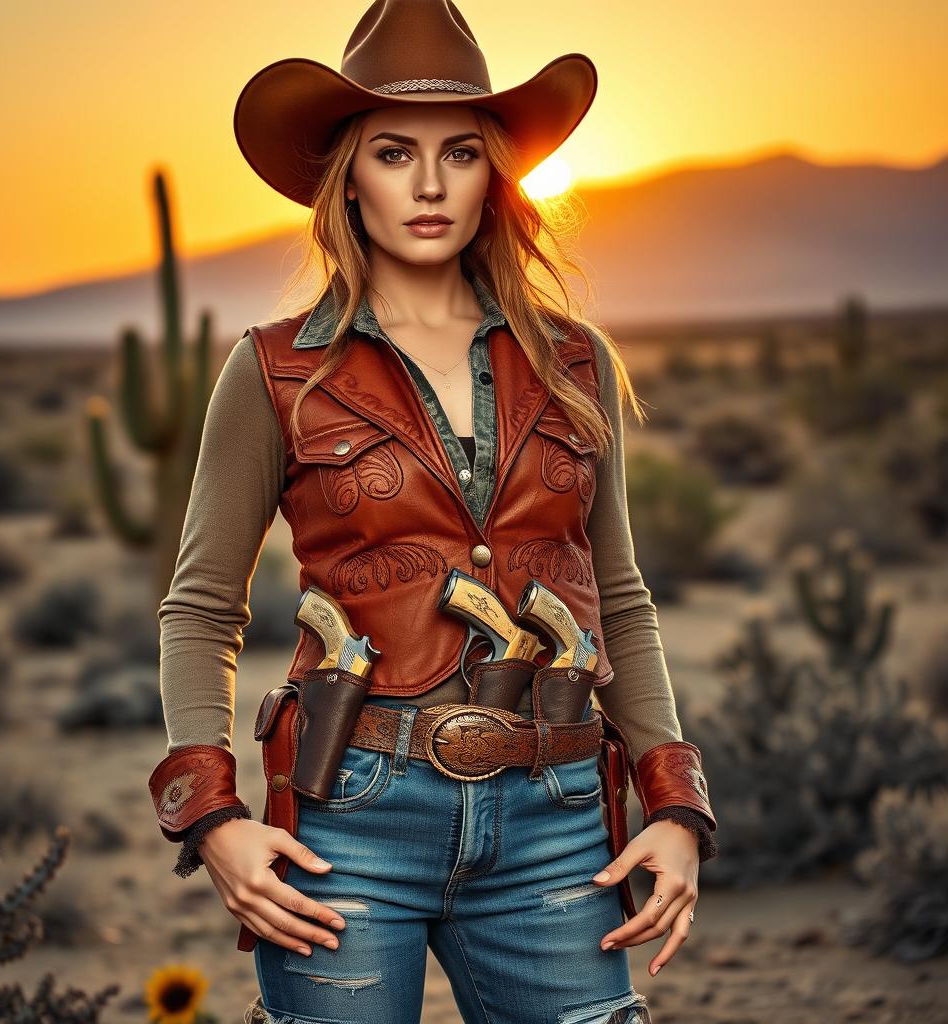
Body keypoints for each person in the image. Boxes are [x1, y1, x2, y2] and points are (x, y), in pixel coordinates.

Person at [147, 2, 718, 1022]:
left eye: (459, 151)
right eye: (392, 151)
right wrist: (210, 813)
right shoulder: (274, 371)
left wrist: (675, 797)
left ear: (493, 174)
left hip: (553, 813)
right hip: (349, 814)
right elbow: (200, 606)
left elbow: (617, 595)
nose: (426, 182)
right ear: (346, 176)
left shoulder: (574, 360)